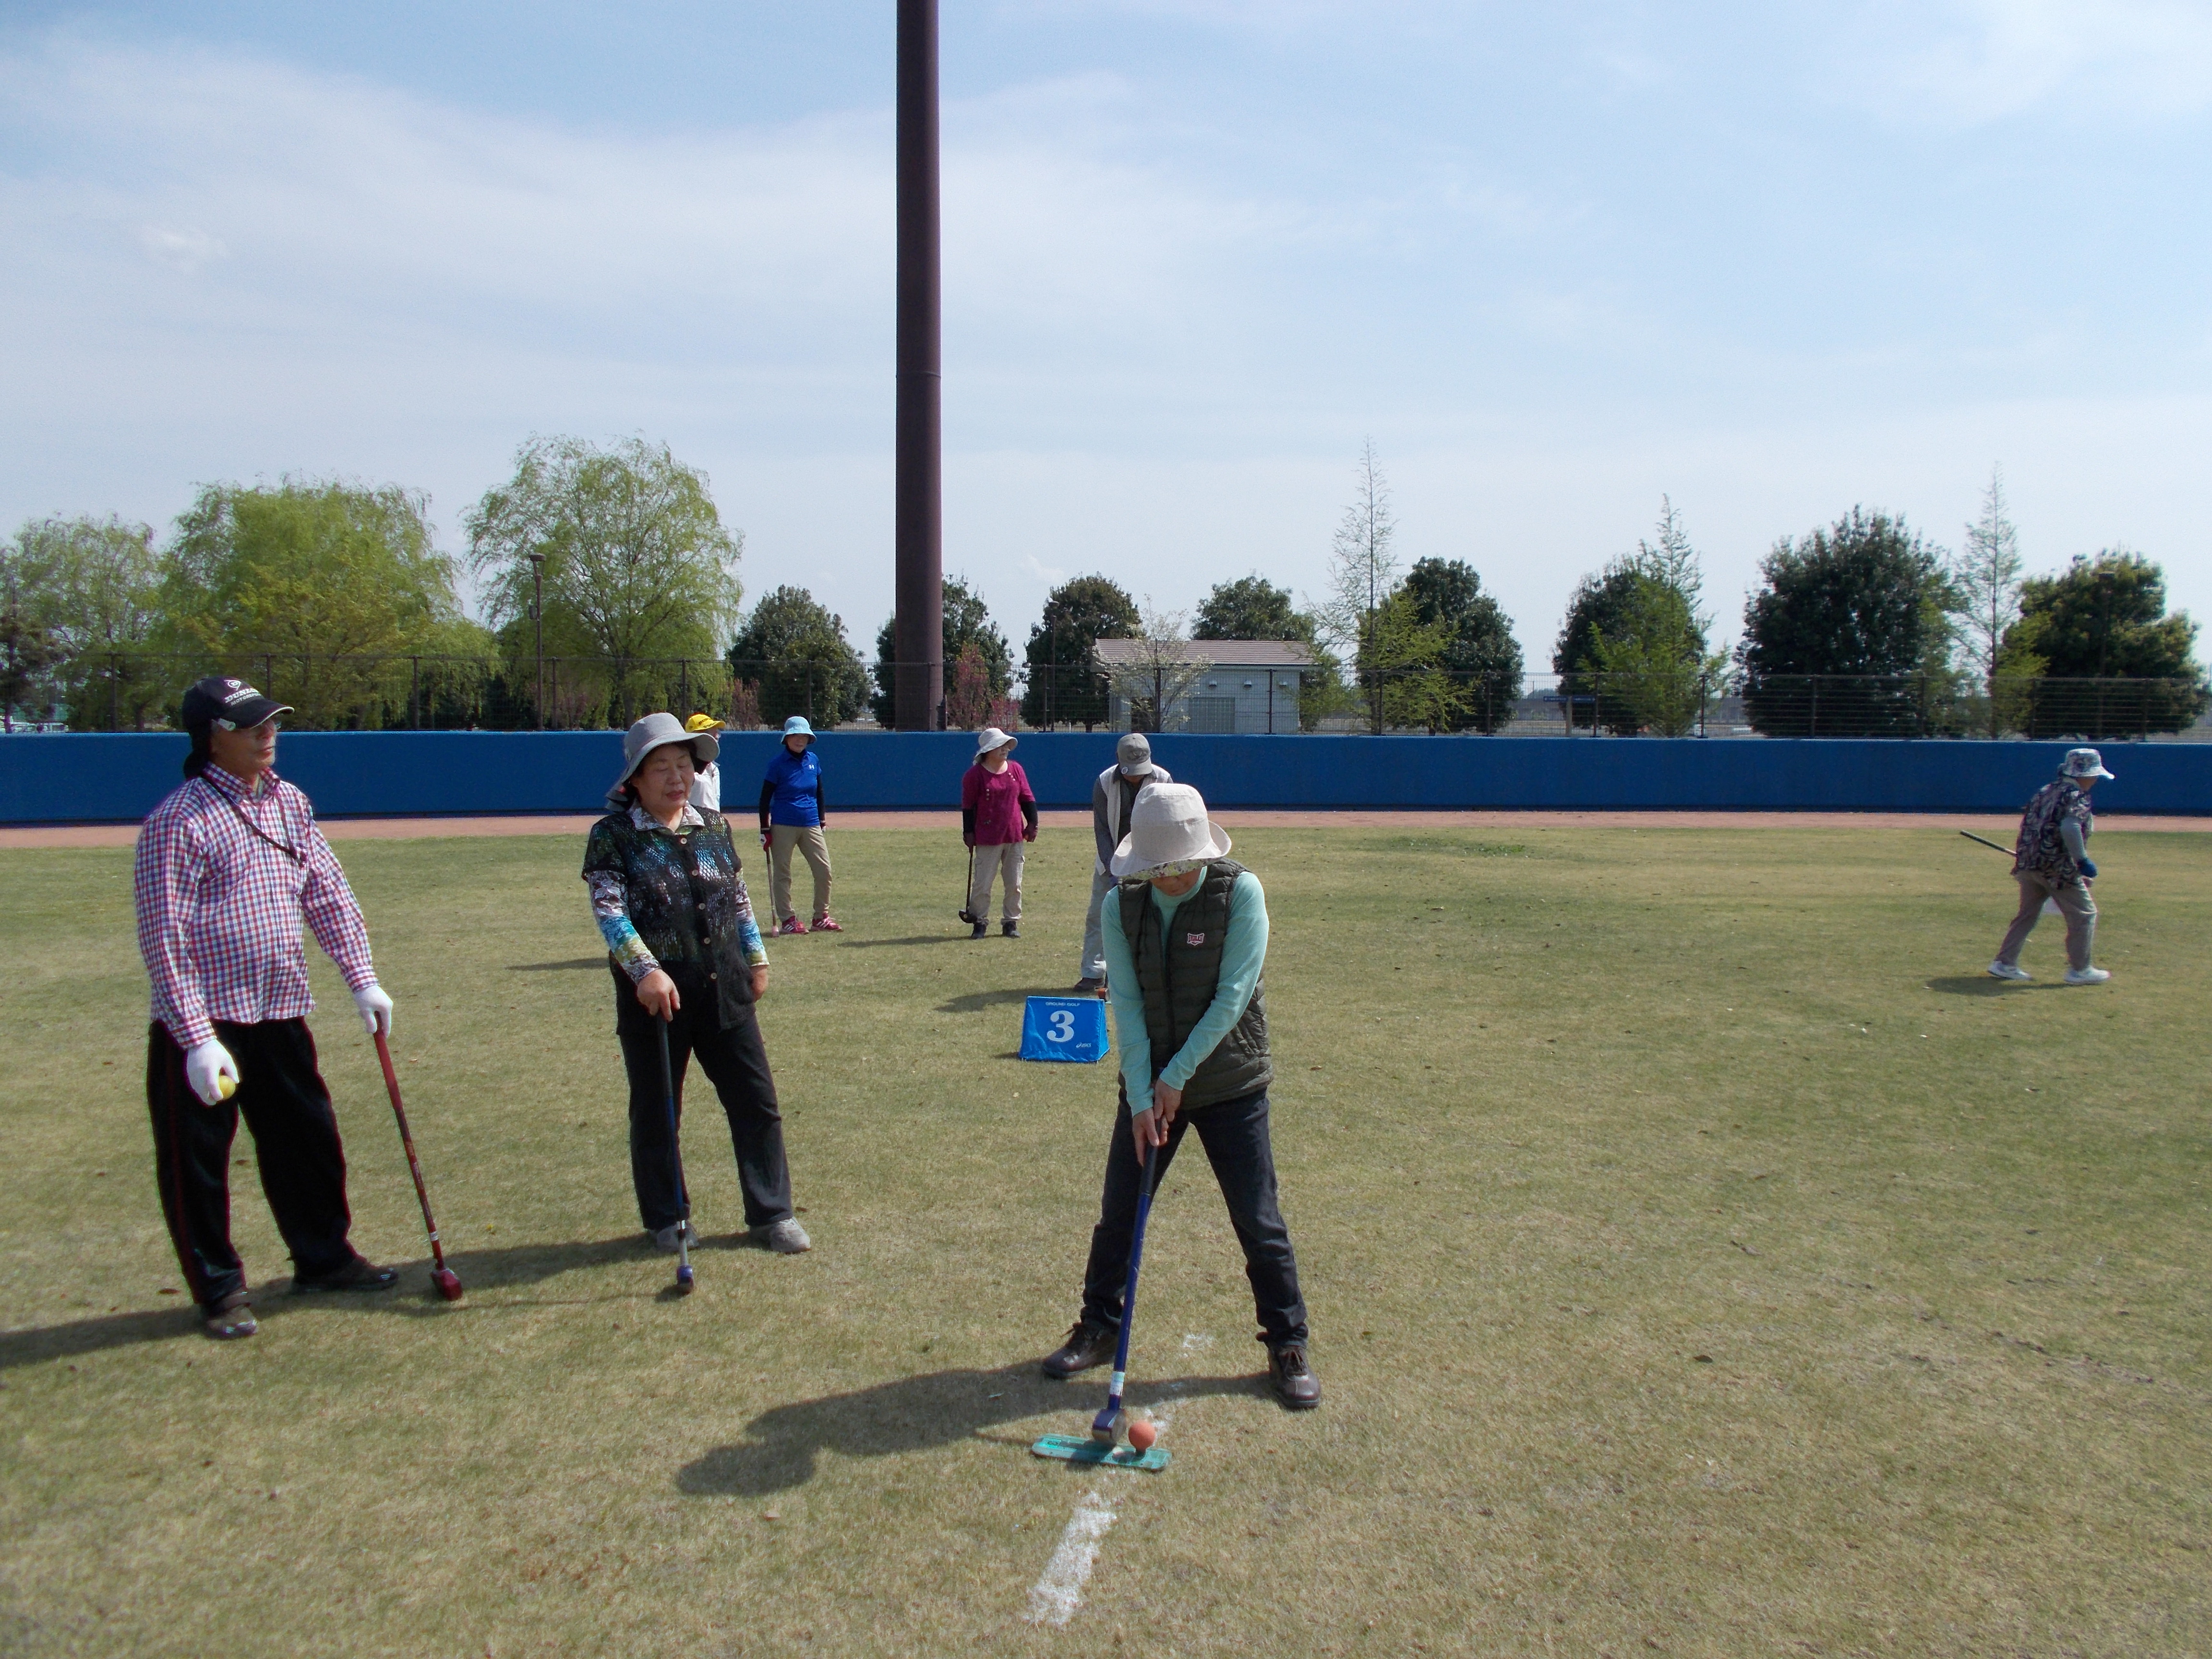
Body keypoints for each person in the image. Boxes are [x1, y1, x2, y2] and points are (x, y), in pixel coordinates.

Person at [133, 676, 401, 1341]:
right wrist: (196, 1038)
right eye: (251, 725)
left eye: (271, 722)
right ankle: (219, 1288)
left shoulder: (289, 804)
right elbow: (163, 936)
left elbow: (328, 895)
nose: (267, 734)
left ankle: (324, 1258)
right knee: (197, 1163)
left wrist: (361, 978)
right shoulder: (179, 820)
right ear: (213, 738)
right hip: (205, 1026)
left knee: (307, 1140)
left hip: (279, 1009)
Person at [1040, 783, 1319, 1409]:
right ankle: (1099, 1324)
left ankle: (1288, 1341)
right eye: (1157, 867)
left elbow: (1233, 996)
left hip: (1229, 1081)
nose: (1168, 877)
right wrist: (1143, 1097)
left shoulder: (1239, 893)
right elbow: (1130, 1006)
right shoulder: (1123, 906)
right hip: (1149, 1083)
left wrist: (1177, 1078)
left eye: (1179, 864)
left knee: (1257, 1216)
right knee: (1119, 1212)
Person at [584, 713, 811, 1255]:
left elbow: (737, 898)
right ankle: (668, 1217)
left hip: (723, 989)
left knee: (756, 1103)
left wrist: (756, 959)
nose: (675, 777)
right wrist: (647, 971)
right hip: (656, 1001)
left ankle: (772, 1213)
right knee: (659, 1110)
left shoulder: (713, 826)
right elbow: (610, 911)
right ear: (635, 778)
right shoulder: (612, 837)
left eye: (683, 764)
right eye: (660, 767)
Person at [1988, 747, 2114, 985]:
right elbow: (2070, 827)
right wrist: (2082, 861)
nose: (2096, 780)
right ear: (2085, 774)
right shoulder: (2077, 796)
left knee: (2027, 914)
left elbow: (2032, 825)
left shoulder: (2046, 791)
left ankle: (2004, 963)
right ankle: (2080, 970)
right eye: (2094, 775)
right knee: (2085, 914)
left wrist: (2029, 856)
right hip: (2057, 868)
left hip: (2029, 864)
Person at [1074, 733, 1171, 995]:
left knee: (1154, 916)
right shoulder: (1105, 782)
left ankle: (1152, 973)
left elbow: (1168, 825)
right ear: (1118, 760)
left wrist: (1156, 865)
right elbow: (1102, 830)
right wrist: (1112, 866)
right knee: (1099, 915)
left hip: (1152, 859)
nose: (1135, 777)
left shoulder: (1163, 780)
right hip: (1112, 858)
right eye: (1130, 772)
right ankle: (1093, 974)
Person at [758, 715, 837, 935]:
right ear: (787, 738)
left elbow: (819, 791)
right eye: (795, 735)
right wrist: (765, 829)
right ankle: (788, 919)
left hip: (811, 823)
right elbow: (765, 799)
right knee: (783, 873)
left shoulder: (814, 760)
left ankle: (821, 917)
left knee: (824, 870)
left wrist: (821, 819)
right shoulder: (777, 764)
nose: (799, 740)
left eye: (803, 735)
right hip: (783, 825)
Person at [961, 726, 1037, 939]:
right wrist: (968, 832)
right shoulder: (974, 775)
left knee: (1015, 883)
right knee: (983, 883)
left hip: (1014, 834)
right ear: (988, 750)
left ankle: (1011, 922)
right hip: (987, 837)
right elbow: (968, 806)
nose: (1004, 749)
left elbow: (1027, 797)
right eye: (999, 746)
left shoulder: (1016, 770)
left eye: (1006, 745)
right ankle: (979, 922)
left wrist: (1032, 823)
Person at [685, 712, 727, 811]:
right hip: (692, 825)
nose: (717, 736)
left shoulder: (714, 768)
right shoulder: (684, 766)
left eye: (717, 732)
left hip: (713, 824)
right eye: (710, 732)